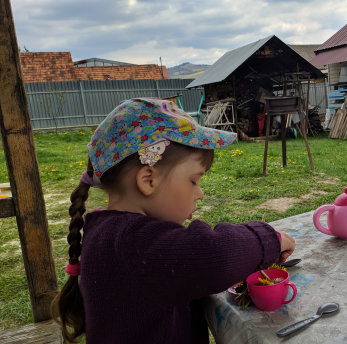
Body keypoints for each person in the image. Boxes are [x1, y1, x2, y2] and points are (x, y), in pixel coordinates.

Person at [51, 98, 296, 343]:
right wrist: (270, 238)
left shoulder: (108, 232)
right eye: (194, 180)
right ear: (148, 180)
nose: (199, 192)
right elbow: (214, 256)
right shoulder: (136, 245)